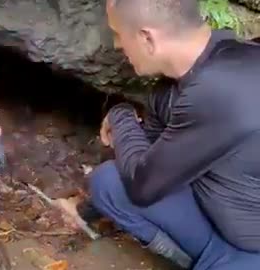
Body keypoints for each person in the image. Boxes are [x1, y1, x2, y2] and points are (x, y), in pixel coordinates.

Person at [56, 0, 260, 269]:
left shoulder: (221, 88)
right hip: (219, 222)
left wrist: (120, 115)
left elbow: (143, 185)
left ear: (147, 38)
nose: (117, 46)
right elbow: (147, 160)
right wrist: (84, 212)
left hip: (251, 247)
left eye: (118, 35)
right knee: (107, 182)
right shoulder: (174, 88)